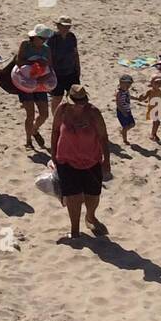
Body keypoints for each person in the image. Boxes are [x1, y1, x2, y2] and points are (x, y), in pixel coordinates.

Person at [50, 84, 110, 238]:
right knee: (73, 197)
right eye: (76, 102)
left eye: (82, 101)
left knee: (93, 195)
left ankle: (90, 216)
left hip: (91, 160)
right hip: (67, 161)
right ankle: (75, 230)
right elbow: (55, 131)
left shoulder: (94, 113)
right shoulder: (62, 110)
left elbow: (103, 137)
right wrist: (53, 154)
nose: (79, 105)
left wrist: (106, 162)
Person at [14, 27, 54, 149]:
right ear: (35, 37)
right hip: (25, 81)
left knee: (44, 114)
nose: (44, 41)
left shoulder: (46, 49)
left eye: (45, 39)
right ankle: (28, 141)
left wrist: (43, 77)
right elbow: (19, 62)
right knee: (30, 113)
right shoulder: (25, 45)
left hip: (39, 83)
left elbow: (50, 67)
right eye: (42, 38)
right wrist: (33, 64)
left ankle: (34, 130)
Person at [47, 16, 80, 114]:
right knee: (57, 97)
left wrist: (78, 67)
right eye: (64, 26)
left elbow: (75, 52)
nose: (66, 28)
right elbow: (48, 56)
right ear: (58, 26)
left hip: (71, 71)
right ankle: (55, 117)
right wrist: (50, 72)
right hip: (57, 73)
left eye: (68, 26)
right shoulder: (52, 39)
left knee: (75, 95)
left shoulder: (71, 37)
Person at [115, 74, 137, 146]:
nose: (128, 87)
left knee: (132, 124)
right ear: (121, 83)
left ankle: (123, 132)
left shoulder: (126, 91)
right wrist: (123, 111)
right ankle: (125, 140)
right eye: (126, 85)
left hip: (128, 110)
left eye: (129, 86)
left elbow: (129, 97)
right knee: (125, 126)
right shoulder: (119, 93)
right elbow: (118, 104)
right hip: (122, 112)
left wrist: (138, 99)